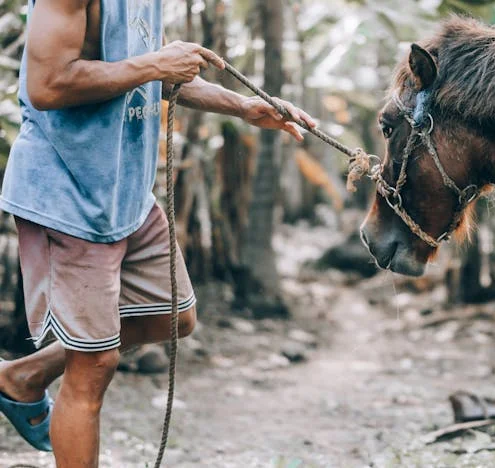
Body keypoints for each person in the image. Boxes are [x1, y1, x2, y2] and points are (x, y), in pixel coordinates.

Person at [0, 0, 316, 466]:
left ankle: (23, 377)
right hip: (69, 193)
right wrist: (153, 64)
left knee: (174, 316)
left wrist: (244, 106)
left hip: (126, 192)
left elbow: (150, 71)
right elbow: (47, 84)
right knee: (95, 366)